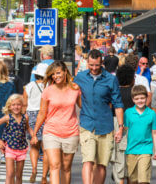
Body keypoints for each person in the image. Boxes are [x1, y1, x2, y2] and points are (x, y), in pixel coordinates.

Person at [74, 49, 124, 184]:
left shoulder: (111, 79)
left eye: (97, 65)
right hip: (87, 124)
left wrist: (120, 127)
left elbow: (118, 104)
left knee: (102, 164)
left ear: (102, 63)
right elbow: (72, 94)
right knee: (88, 160)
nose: (94, 68)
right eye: (91, 65)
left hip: (105, 126)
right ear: (87, 63)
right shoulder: (81, 77)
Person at [32, 61, 82, 184]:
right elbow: (42, 113)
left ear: (65, 71)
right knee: (54, 166)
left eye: (58, 73)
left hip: (71, 132)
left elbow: (83, 107)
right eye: (53, 74)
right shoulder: (48, 91)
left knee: (66, 168)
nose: (55, 76)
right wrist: (35, 133)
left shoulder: (75, 88)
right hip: (51, 132)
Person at [0, 95, 35, 184]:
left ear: (22, 105)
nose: (16, 107)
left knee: (19, 175)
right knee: (10, 174)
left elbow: (28, 128)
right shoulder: (8, 117)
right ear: (9, 106)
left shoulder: (25, 117)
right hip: (10, 148)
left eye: (18, 104)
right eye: (13, 105)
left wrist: (33, 136)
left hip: (22, 148)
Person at [125, 85, 156, 184]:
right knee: (133, 180)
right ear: (133, 100)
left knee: (143, 180)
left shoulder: (152, 114)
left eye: (142, 98)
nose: (140, 101)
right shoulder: (128, 113)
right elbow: (124, 130)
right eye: (137, 99)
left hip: (145, 149)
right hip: (131, 150)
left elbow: (155, 132)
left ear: (146, 98)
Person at [23, 63, 49, 183]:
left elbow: (24, 104)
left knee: (34, 146)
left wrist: (24, 117)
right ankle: (44, 176)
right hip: (45, 115)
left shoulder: (29, 86)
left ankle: (34, 170)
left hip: (32, 114)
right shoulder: (49, 86)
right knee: (46, 148)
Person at [110, 64, 135, 184]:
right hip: (133, 126)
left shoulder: (115, 92)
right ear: (132, 79)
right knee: (131, 163)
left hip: (116, 125)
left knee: (119, 162)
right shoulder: (135, 93)